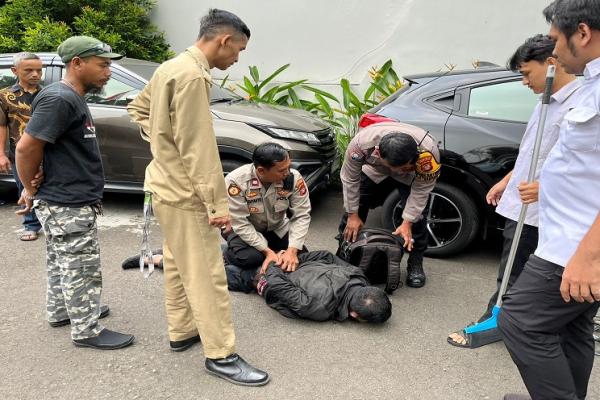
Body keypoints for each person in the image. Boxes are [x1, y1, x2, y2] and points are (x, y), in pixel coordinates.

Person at [127, 9, 269, 386]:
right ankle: (220, 354)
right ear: (223, 40)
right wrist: (218, 206)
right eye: (238, 50)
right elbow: (199, 149)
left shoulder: (170, 67)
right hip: (186, 191)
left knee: (175, 261)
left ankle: (182, 331)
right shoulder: (192, 76)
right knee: (207, 275)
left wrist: (161, 141)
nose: (237, 58)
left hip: (162, 185)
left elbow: (138, 108)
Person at [447, 34, 580, 348]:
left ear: (550, 64)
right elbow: (534, 152)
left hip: (543, 212)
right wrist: (507, 179)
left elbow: (583, 165)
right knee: (512, 268)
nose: (523, 81)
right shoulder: (545, 104)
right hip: (522, 204)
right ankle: (503, 319)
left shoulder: (578, 106)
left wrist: (546, 188)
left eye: (525, 73)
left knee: (524, 272)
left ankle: (503, 324)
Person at [498, 1, 600, 399]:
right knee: (571, 327)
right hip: (566, 237)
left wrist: (588, 258)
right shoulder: (591, 83)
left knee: (519, 321)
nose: (552, 51)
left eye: (557, 39)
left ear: (584, 33)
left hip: (577, 247)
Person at [15, 36, 133, 349]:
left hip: (64, 198)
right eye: (103, 64)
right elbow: (26, 148)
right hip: (67, 202)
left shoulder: (71, 96)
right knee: (82, 268)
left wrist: (34, 190)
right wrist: (28, 188)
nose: (108, 72)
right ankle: (87, 330)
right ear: (77, 63)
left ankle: (63, 310)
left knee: (61, 261)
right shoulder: (60, 99)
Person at [338, 120, 440, 288]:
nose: (396, 172)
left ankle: (415, 262)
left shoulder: (428, 155)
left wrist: (407, 221)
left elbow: (421, 191)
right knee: (353, 213)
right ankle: (345, 253)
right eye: (394, 168)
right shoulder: (360, 145)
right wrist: (352, 214)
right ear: (378, 152)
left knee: (417, 219)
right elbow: (350, 179)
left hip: (411, 178)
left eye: (403, 167)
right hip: (374, 169)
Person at [223, 142, 311, 276]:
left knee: (301, 255)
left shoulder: (294, 178)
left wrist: (291, 251)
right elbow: (240, 223)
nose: (287, 173)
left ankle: (272, 256)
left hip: (276, 228)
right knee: (250, 258)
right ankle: (226, 254)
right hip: (245, 230)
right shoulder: (235, 181)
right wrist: (268, 252)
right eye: (281, 170)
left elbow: (302, 215)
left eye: (288, 167)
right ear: (261, 171)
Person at [256, 250, 392, 323]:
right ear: (354, 314)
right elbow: (326, 256)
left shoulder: (357, 274)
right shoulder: (321, 308)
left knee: (249, 259)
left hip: (280, 272)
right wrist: (287, 260)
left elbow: (326, 256)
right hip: (274, 272)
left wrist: (281, 262)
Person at [0, 52, 43, 241]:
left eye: (39, 70)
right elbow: (1, 126)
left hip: (50, 151)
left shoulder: (48, 93)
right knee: (26, 188)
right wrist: (1, 154)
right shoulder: (5, 96)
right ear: (15, 71)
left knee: (52, 187)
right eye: (29, 70)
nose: (35, 74)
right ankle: (31, 225)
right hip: (21, 153)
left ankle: (52, 222)